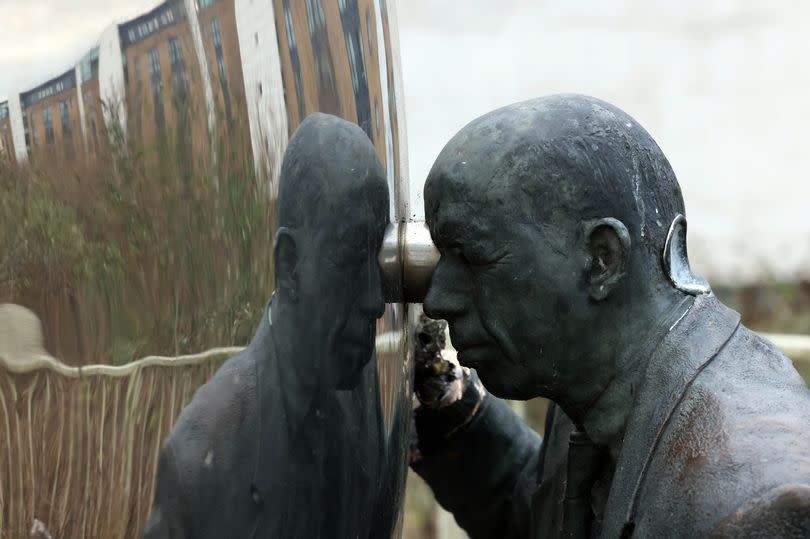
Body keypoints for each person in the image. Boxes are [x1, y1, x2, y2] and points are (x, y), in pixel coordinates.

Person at [411, 94, 810, 538]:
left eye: (473, 258)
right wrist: (449, 409)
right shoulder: (594, 380)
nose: (437, 300)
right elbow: (552, 523)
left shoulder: (760, 507)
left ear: (603, 259)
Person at [144, 113, 394, 538]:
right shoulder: (202, 458)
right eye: (352, 260)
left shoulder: (359, 380)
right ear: (289, 264)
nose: (375, 301)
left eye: (378, 259)